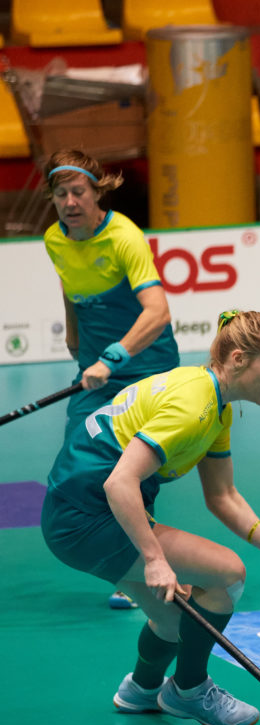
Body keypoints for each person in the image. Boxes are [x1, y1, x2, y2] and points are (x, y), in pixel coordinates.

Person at [40, 311, 260, 725]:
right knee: (227, 574)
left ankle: (141, 689)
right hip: (88, 515)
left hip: (77, 512)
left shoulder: (216, 407)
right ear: (239, 359)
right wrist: (155, 559)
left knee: (175, 618)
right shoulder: (194, 406)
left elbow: (223, 497)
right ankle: (189, 690)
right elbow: (119, 482)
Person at [43, 150, 180, 610]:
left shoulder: (125, 237)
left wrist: (114, 357)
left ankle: (143, 566)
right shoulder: (54, 238)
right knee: (80, 459)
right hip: (95, 369)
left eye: (78, 192)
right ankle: (120, 557)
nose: (70, 202)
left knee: (136, 467)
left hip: (145, 364)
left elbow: (158, 312)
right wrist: (75, 340)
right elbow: (70, 288)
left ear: (96, 192)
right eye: (60, 194)